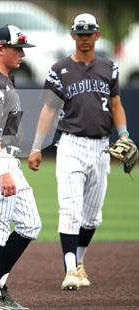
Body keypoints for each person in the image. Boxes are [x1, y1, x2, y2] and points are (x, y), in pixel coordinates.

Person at [28, 13, 132, 290]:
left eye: (89, 33)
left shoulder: (109, 68)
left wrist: (124, 134)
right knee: (70, 210)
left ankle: (78, 263)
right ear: (73, 36)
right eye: (80, 33)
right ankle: (70, 268)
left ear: (97, 35)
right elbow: (49, 109)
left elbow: (117, 105)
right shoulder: (59, 69)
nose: (85, 38)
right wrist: (37, 147)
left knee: (93, 216)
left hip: (101, 147)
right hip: (71, 144)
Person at [0, 25, 42, 310]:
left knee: (30, 223)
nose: (22, 55)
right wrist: (1, 170)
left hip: (4, 160)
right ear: (1, 48)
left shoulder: (3, 80)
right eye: (18, 48)